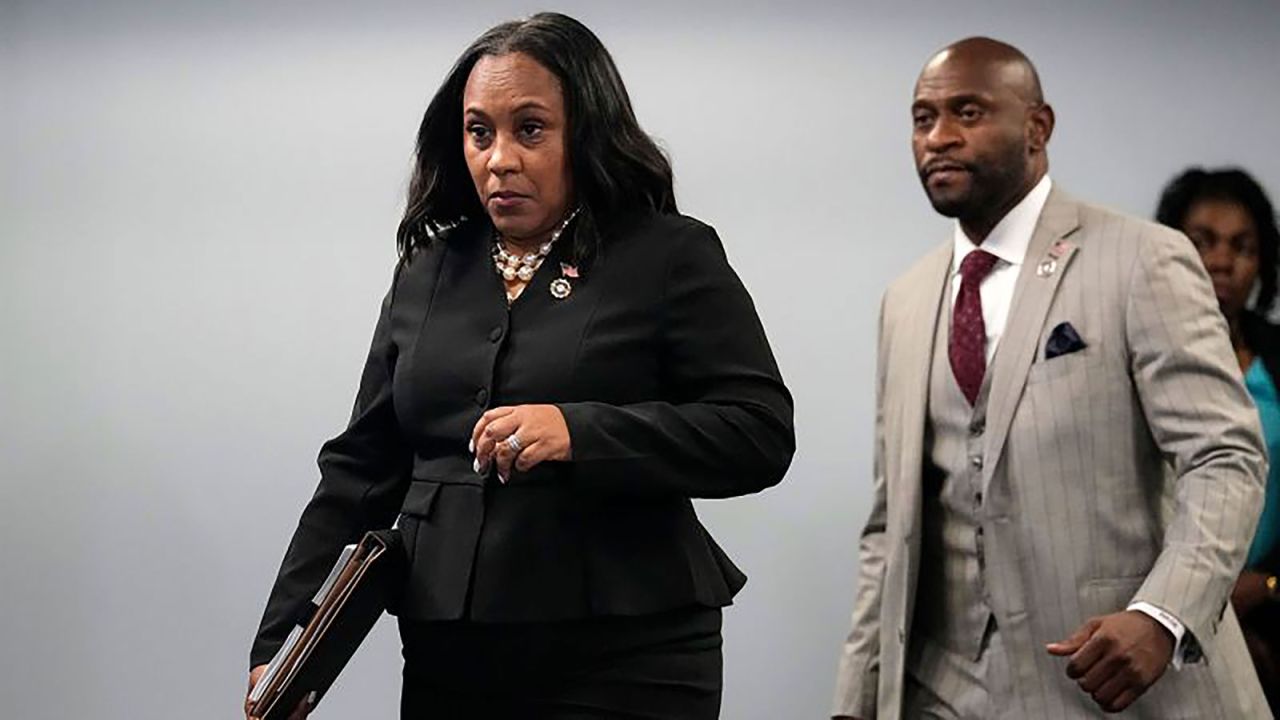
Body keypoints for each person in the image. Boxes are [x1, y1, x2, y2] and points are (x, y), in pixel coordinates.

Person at [244, 12, 794, 720]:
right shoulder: (428, 271)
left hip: (627, 653)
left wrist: (579, 433)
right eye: (480, 133)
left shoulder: (669, 256)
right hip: (455, 654)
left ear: (585, 133)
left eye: (529, 130)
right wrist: (286, 639)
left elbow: (758, 433)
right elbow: (360, 467)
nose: (499, 158)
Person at [831, 37, 1269, 719]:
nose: (939, 137)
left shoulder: (1141, 259)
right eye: (923, 119)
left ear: (1038, 128)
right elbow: (890, 530)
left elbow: (1225, 456)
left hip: (1114, 686)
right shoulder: (906, 301)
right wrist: (857, 700)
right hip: (940, 690)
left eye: (968, 113)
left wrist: (1161, 615)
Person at [1157, 166, 1280, 711]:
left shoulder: (1276, 355)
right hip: (1161, 607)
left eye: (1242, 246)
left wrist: (1270, 584)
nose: (1221, 261)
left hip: (1272, 609)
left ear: (1262, 264)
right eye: (1201, 241)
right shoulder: (1136, 349)